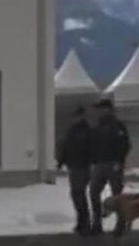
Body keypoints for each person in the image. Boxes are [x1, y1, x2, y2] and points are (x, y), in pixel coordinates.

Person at [89, 98, 131, 234]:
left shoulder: (117, 126)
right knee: (94, 192)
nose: (99, 112)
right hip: (100, 164)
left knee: (117, 195)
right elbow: (93, 146)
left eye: (101, 109)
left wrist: (119, 161)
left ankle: (120, 224)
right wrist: (93, 161)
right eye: (98, 109)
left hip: (113, 164)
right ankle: (97, 223)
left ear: (108, 109)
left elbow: (124, 145)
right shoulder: (98, 127)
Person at [55, 105, 92, 235]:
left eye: (78, 116)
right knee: (76, 194)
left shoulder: (87, 131)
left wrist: (90, 163)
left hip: (83, 166)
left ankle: (85, 221)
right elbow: (65, 147)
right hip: (73, 166)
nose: (76, 118)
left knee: (79, 193)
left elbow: (91, 149)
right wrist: (60, 162)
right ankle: (81, 221)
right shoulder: (71, 131)